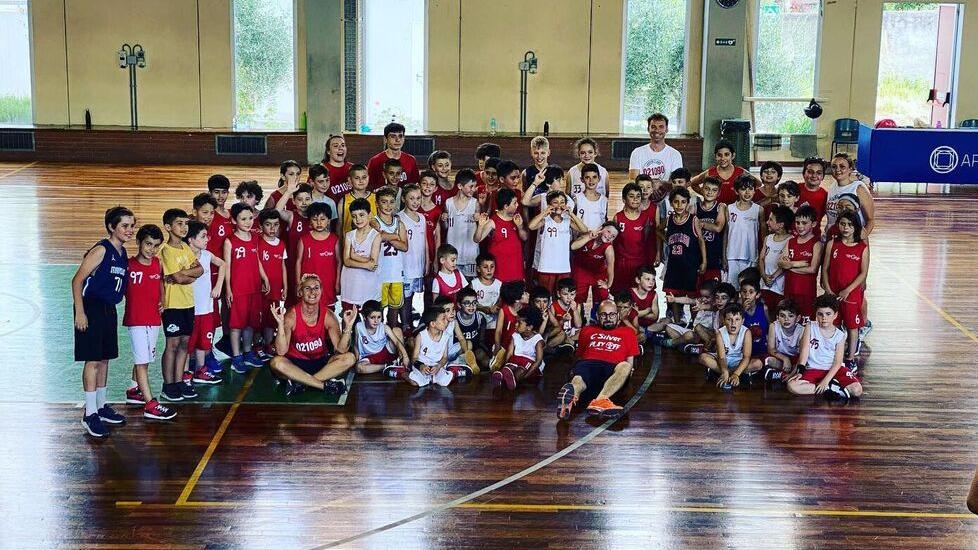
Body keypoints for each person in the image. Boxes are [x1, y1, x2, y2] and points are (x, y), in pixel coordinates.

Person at [73, 207, 136, 437]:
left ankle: (101, 406)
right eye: (125, 226)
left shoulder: (122, 253)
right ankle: (90, 413)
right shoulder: (102, 250)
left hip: (109, 308)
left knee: (105, 359)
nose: (130, 230)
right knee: (93, 360)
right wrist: (80, 313)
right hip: (92, 307)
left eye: (132, 225)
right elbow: (77, 280)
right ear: (112, 227)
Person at [268, 274, 357, 396]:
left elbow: (341, 349)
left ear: (321, 291)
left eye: (316, 288)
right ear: (300, 292)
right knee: (276, 362)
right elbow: (281, 351)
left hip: (320, 363)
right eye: (307, 288)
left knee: (350, 358)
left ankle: (301, 383)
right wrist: (280, 324)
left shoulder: (328, 315)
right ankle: (322, 385)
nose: (312, 292)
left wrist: (348, 327)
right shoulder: (291, 316)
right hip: (295, 363)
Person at [122, 224, 177, 420]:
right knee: (142, 362)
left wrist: (162, 300)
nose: (151, 249)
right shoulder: (128, 265)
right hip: (136, 320)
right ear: (138, 243)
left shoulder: (158, 263)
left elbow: (160, 282)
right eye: (147, 244)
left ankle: (133, 389)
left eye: (155, 245)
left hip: (153, 319)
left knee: (144, 356)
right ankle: (150, 404)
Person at [556, 300, 641, 419]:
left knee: (626, 366)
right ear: (597, 316)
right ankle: (570, 398)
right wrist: (572, 371)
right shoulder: (587, 330)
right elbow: (580, 355)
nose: (608, 318)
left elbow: (630, 362)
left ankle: (600, 399)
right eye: (603, 315)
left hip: (612, 368)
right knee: (578, 378)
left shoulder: (628, 332)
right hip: (588, 363)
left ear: (617, 316)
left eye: (612, 314)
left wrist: (626, 375)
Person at [159, 208, 203, 401]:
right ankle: (168, 385)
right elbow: (176, 277)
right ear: (168, 227)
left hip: (187, 302)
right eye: (179, 223)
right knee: (172, 344)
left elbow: (200, 270)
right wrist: (185, 274)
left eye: (186, 223)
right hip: (172, 304)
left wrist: (183, 275)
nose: (184, 227)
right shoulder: (165, 251)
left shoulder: (186, 248)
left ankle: (178, 382)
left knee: (185, 343)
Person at [787, 294, 863, 400]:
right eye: (820, 314)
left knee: (857, 390)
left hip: (835, 369)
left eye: (828, 314)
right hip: (813, 368)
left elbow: (837, 363)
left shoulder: (840, 335)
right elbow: (804, 352)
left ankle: (827, 386)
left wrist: (825, 381)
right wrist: (800, 371)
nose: (824, 318)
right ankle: (830, 389)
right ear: (816, 315)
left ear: (835, 315)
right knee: (792, 386)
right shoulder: (810, 326)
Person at [821, 211, 870, 370]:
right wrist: (828, 288)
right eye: (842, 224)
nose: (846, 228)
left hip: (851, 295)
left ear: (856, 227)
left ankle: (849, 358)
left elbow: (863, 273)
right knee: (830, 324)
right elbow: (825, 268)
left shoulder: (862, 248)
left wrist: (848, 290)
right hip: (832, 293)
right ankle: (830, 355)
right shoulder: (832, 244)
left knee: (852, 327)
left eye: (850, 225)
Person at [224, 204, 268, 374]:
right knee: (236, 325)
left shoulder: (254, 238)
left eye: (250, 218)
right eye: (243, 219)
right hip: (238, 289)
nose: (248, 222)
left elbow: (256, 259)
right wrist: (228, 289)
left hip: (254, 287)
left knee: (250, 323)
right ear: (234, 220)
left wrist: (263, 277)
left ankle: (248, 352)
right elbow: (227, 267)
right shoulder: (230, 241)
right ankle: (236, 357)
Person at [184, 220, 225, 384]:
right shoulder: (183, 257)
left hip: (206, 309)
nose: (207, 239)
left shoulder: (207, 255)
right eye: (203, 236)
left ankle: (200, 370)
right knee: (188, 346)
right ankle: (186, 372)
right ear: (190, 240)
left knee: (203, 343)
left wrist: (218, 286)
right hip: (189, 309)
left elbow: (223, 264)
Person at [529, 191, 588, 292]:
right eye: (555, 202)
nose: (559, 205)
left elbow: (584, 230)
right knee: (545, 295)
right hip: (546, 267)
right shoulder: (546, 220)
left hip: (563, 267)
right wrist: (544, 212)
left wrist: (572, 214)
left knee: (561, 297)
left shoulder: (567, 221)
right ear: (549, 205)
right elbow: (531, 226)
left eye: (562, 202)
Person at [662, 187, 706, 316]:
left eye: (683, 202)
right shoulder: (670, 220)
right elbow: (658, 229)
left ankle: (693, 321)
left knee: (692, 296)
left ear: (688, 203)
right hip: (674, 264)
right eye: (676, 202)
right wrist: (666, 239)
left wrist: (704, 261)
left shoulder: (693, 220)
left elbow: (701, 241)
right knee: (673, 294)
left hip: (690, 264)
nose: (679, 205)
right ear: (671, 203)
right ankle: (676, 321)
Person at [698, 303, 762, 389]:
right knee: (703, 357)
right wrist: (724, 370)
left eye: (737, 319)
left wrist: (736, 373)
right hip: (722, 361)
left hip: (738, 362)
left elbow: (746, 357)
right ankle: (734, 375)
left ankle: (723, 374)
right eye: (729, 319)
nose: (733, 323)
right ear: (724, 321)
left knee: (758, 364)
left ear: (742, 321)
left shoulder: (746, 332)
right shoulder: (720, 333)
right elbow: (722, 357)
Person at [474, 188, 528, 283]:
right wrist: (480, 226)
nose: (517, 205)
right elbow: (477, 239)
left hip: (516, 270)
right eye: (514, 203)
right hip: (500, 272)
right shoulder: (492, 222)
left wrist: (519, 227)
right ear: (506, 206)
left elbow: (524, 237)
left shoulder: (517, 218)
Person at [779, 205, 823, 319]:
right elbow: (781, 263)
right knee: (788, 323)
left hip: (806, 293)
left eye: (804, 223)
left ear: (813, 224)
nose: (800, 226)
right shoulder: (791, 241)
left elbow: (812, 269)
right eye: (798, 222)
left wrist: (790, 266)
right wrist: (797, 264)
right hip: (789, 291)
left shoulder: (816, 244)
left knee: (805, 324)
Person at [372, 186, 408, 327]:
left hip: (396, 273)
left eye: (391, 202)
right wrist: (395, 236)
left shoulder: (399, 223)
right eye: (384, 202)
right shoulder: (373, 222)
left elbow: (404, 247)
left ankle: (393, 333)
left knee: (394, 309)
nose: (388, 205)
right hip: (379, 274)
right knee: (378, 309)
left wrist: (385, 236)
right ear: (377, 203)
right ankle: (377, 336)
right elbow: (378, 236)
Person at [612, 182, 656, 292]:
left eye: (638, 196)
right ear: (624, 199)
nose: (635, 199)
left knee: (638, 295)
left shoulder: (645, 219)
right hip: (621, 264)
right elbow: (613, 243)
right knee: (620, 295)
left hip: (639, 264)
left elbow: (648, 242)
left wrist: (650, 263)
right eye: (631, 196)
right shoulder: (618, 218)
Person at [255, 209, 287, 359]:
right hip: (260, 289)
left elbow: (282, 266)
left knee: (271, 319)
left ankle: (268, 344)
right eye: (268, 225)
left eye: (276, 225)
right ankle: (256, 345)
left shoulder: (281, 244)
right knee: (257, 318)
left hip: (275, 289)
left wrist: (285, 286)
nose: (272, 228)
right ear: (261, 226)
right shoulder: (257, 243)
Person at [340, 198, 382, 310]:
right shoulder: (349, 235)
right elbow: (346, 261)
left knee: (370, 321)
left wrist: (354, 256)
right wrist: (366, 263)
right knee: (348, 318)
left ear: (369, 214)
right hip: (350, 285)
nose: (358, 219)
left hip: (369, 285)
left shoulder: (376, 236)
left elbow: (373, 262)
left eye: (361, 215)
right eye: (354, 216)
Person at [570, 221, 618, 318]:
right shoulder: (588, 235)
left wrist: (608, 285)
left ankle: (596, 318)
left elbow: (611, 268)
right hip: (581, 270)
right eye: (608, 232)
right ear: (601, 228)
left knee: (602, 295)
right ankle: (579, 319)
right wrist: (589, 237)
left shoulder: (609, 249)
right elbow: (573, 246)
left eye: (613, 236)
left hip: (598, 273)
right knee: (578, 297)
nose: (609, 236)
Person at [403, 308, 458, 387]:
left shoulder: (446, 336)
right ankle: (403, 373)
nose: (446, 321)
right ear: (433, 324)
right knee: (415, 383)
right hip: (423, 366)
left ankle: (455, 370)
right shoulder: (421, 336)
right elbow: (414, 358)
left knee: (445, 382)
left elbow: (445, 357)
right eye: (443, 319)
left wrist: (438, 366)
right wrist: (421, 366)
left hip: (436, 366)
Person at [494, 306, 546, 390]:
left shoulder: (537, 340)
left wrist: (527, 375)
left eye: (519, 322)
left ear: (529, 327)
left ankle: (512, 380)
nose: (516, 324)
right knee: (510, 367)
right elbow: (510, 353)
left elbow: (538, 361)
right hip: (516, 359)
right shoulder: (515, 336)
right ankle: (503, 376)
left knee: (520, 370)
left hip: (530, 363)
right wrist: (506, 365)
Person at [398, 184, 428, 332]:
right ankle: (406, 325)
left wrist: (427, 261)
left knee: (415, 295)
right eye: (412, 198)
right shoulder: (399, 218)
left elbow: (425, 242)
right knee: (406, 298)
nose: (416, 202)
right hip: (405, 266)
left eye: (418, 198)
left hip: (419, 264)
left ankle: (411, 324)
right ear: (404, 199)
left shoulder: (422, 218)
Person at [690, 140, 758, 204]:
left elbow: (758, 184)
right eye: (719, 155)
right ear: (715, 156)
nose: (723, 158)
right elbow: (693, 183)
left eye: (726, 154)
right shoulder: (709, 173)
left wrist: (746, 197)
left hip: (736, 212)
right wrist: (707, 194)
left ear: (733, 155)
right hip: (715, 212)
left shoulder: (741, 172)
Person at [353, 300, 410, 374]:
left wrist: (405, 357)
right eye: (372, 317)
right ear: (364, 317)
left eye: (379, 317)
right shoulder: (359, 327)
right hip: (369, 357)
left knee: (397, 330)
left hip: (385, 352)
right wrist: (357, 359)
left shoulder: (384, 327)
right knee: (359, 368)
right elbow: (355, 344)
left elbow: (396, 341)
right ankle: (388, 366)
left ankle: (400, 362)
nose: (376, 321)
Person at [724, 176, 762, 288]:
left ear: (755, 191)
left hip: (751, 256)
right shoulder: (729, 208)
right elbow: (726, 233)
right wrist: (724, 255)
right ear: (736, 191)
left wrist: (761, 257)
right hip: (732, 255)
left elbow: (763, 237)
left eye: (750, 189)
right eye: (743, 189)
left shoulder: (759, 210)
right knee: (732, 290)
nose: (747, 192)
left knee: (748, 290)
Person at [826, 152, 875, 237]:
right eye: (834, 167)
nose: (837, 170)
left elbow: (870, 220)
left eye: (842, 166)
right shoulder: (832, 187)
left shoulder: (858, 188)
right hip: (833, 237)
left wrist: (860, 239)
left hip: (851, 239)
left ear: (850, 169)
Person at [443, 169, 480, 278]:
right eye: (471, 186)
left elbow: (480, 230)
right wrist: (444, 220)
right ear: (460, 186)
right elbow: (446, 228)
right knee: (452, 285)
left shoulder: (475, 203)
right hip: (452, 255)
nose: (473, 189)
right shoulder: (448, 203)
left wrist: (479, 220)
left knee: (469, 287)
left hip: (470, 255)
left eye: (475, 186)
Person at [628, 113, 684, 182]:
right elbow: (633, 180)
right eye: (653, 127)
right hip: (643, 192)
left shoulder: (675, 155)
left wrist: (660, 184)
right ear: (648, 129)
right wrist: (648, 187)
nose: (657, 130)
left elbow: (677, 182)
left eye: (661, 127)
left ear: (666, 130)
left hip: (668, 193)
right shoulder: (637, 153)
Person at [758, 206, 794, 307]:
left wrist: (773, 277)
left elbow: (786, 264)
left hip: (779, 287)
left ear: (781, 225)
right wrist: (764, 276)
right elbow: (761, 259)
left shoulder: (791, 240)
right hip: (764, 284)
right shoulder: (768, 238)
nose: (767, 222)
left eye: (771, 220)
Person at [367, 122, 420, 189]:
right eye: (393, 136)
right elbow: (369, 186)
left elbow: (415, 185)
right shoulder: (375, 161)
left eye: (400, 136)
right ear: (385, 139)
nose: (397, 140)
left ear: (404, 138)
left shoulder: (411, 160)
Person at [694, 177, 726, 286]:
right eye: (707, 189)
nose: (710, 192)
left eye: (714, 190)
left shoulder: (720, 207)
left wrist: (701, 224)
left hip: (714, 257)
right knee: (696, 293)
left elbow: (718, 228)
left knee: (713, 292)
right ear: (702, 189)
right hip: (696, 257)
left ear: (719, 192)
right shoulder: (695, 207)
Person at [491, 280, 528, 370]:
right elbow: (498, 331)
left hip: (520, 346)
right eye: (524, 293)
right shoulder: (504, 310)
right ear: (517, 299)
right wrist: (497, 347)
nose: (527, 294)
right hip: (505, 345)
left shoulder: (526, 310)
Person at [763, 298, 803, 381]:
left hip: (796, 359)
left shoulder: (802, 331)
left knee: (804, 365)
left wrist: (791, 375)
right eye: (782, 316)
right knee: (768, 360)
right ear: (777, 317)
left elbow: (802, 357)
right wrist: (785, 358)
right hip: (781, 358)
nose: (786, 319)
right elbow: (771, 349)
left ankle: (783, 375)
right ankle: (782, 374)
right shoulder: (774, 326)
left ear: (798, 318)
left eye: (790, 316)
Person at [453, 287, 492, 369]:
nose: (471, 306)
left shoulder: (480, 318)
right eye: (467, 303)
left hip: (475, 348)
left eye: (474, 303)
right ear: (459, 305)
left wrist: (488, 353)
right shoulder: (454, 319)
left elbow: (482, 340)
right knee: (466, 347)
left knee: (482, 356)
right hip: (461, 350)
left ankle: (492, 365)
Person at [338, 164, 378, 238]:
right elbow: (340, 226)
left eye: (364, 177)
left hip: (372, 244)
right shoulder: (343, 201)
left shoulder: (376, 198)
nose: (361, 181)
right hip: (350, 245)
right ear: (350, 180)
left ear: (368, 178)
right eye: (357, 178)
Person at [738, 278, 770, 361]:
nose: (747, 295)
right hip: (743, 353)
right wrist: (742, 312)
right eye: (744, 292)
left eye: (751, 292)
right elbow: (734, 332)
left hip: (762, 351)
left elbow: (770, 328)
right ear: (740, 293)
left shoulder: (764, 308)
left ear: (758, 294)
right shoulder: (737, 310)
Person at [470, 253, 501, 334]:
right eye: (485, 267)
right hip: (477, 324)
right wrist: (485, 309)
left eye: (492, 267)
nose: (489, 270)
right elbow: (470, 303)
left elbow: (501, 302)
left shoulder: (499, 284)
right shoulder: (474, 284)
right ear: (478, 269)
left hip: (494, 325)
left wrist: (496, 308)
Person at [573, 163, 608, 232]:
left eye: (594, 177)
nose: (591, 180)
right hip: (582, 239)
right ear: (582, 179)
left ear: (599, 178)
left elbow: (605, 220)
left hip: (598, 240)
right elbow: (571, 221)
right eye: (587, 177)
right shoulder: (577, 199)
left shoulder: (604, 200)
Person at [798, 157, 829, 236]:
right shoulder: (795, 189)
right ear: (804, 174)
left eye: (818, 173)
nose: (814, 175)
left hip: (813, 237)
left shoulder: (826, 196)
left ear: (823, 176)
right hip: (792, 236)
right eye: (810, 172)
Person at [549, 277, 582, 350]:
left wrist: (575, 310)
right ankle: (571, 344)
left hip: (572, 333)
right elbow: (553, 327)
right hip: (560, 332)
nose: (569, 297)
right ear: (558, 294)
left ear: (575, 294)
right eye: (565, 294)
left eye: (572, 294)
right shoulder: (554, 306)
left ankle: (568, 342)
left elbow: (578, 325)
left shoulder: (577, 306)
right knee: (559, 334)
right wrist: (562, 320)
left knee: (582, 331)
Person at [322, 135, 354, 202]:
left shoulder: (353, 169)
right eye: (336, 146)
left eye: (343, 145)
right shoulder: (321, 170)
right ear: (328, 151)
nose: (340, 148)